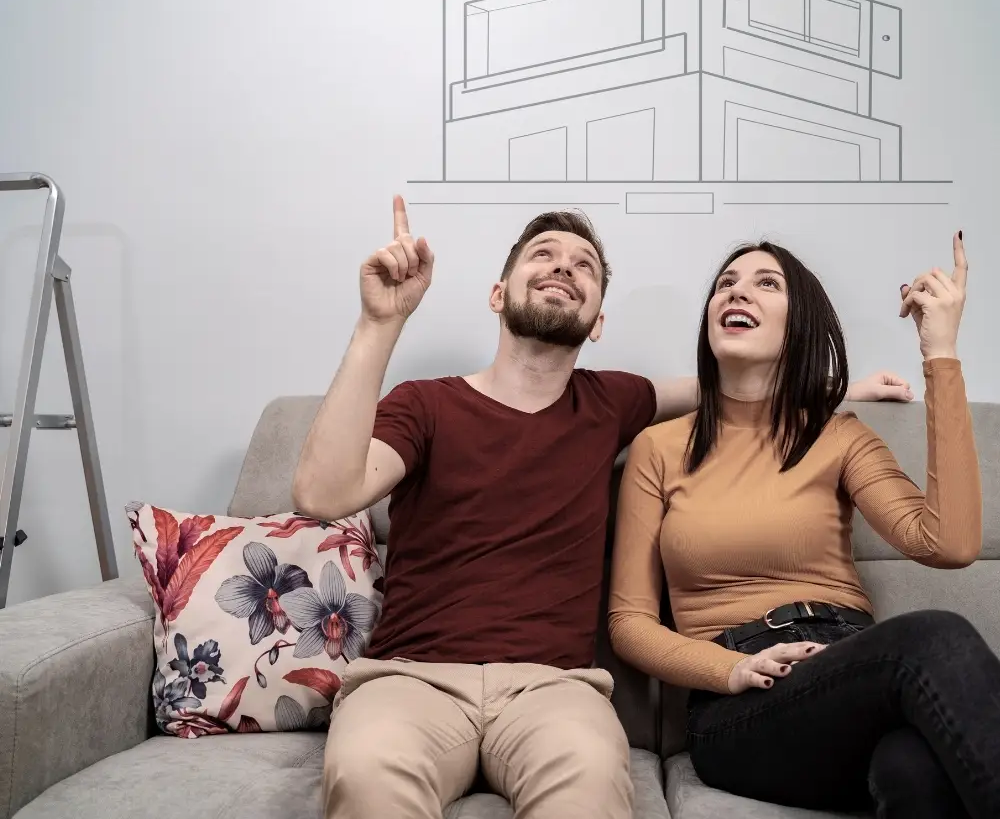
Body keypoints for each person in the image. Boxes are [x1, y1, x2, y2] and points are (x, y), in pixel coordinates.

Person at [291, 196, 912, 819]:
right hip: (411, 680)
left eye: (583, 265)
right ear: (498, 294)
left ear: (597, 323)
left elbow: (730, 385)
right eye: (544, 255)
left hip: (553, 689)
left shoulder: (610, 404)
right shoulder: (427, 404)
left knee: (590, 789)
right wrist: (380, 323)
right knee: (367, 776)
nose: (564, 267)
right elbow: (322, 495)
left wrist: (837, 388)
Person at [607, 233, 995, 818]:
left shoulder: (839, 436)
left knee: (911, 772)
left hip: (850, 665)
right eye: (726, 283)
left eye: (767, 283)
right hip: (741, 698)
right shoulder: (659, 449)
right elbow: (629, 623)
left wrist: (940, 354)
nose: (737, 290)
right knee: (935, 636)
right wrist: (730, 668)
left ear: (799, 326)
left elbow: (949, 542)